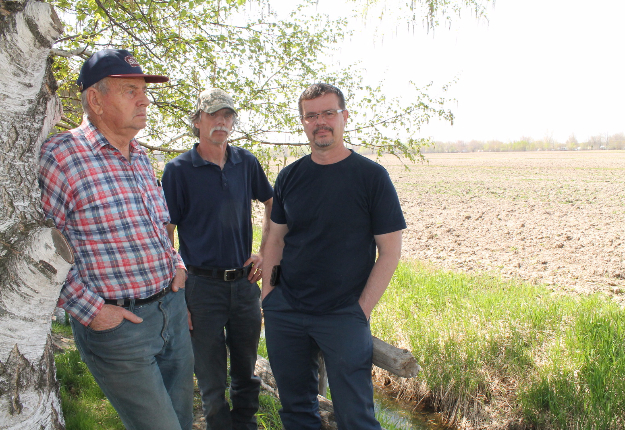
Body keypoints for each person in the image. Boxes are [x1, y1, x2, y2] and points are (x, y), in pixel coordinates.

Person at [38, 49, 194, 430]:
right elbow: (37, 250)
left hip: (170, 311)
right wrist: (92, 311)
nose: (144, 99)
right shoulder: (61, 157)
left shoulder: (140, 156)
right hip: (119, 326)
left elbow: (156, 226)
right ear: (95, 99)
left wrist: (176, 264)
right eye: (130, 90)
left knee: (182, 421)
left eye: (144, 90)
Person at [261, 83, 406, 429]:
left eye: (328, 113)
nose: (320, 122)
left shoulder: (372, 177)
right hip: (288, 313)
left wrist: (361, 311)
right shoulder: (290, 177)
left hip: (343, 316)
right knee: (296, 411)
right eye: (311, 115)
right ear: (303, 122)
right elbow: (275, 240)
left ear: (344, 117)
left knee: (356, 417)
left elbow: (390, 251)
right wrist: (269, 296)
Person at [161, 88, 273, 430]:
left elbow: (272, 203)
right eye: (213, 115)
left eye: (227, 116)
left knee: (245, 377)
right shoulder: (178, 170)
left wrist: (265, 254)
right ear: (198, 122)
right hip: (201, 288)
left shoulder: (246, 162)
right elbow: (166, 231)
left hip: (244, 286)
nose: (221, 122)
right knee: (211, 384)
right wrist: (178, 292)